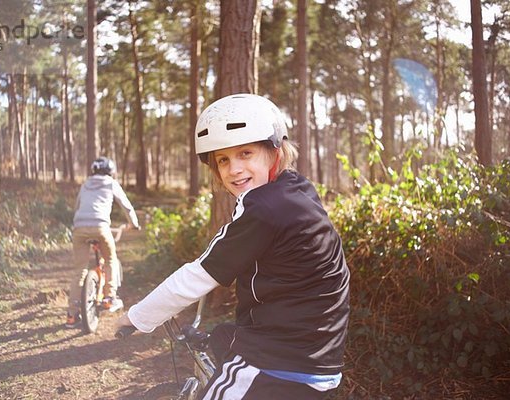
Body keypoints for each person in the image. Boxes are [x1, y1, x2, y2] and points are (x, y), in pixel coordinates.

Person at [117, 93, 350, 399]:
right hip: (321, 352)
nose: (234, 169)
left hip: (278, 358)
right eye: (223, 160)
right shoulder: (297, 190)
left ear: (275, 153)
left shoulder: (263, 210)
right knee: (223, 337)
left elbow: (198, 276)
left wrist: (137, 317)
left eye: (245, 153)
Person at [66, 157, 140, 328]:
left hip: (79, 228)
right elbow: (126, 206)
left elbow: (77, 206)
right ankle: (109, 298)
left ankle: (72, 314)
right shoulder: (111, 183)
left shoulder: (85, 184)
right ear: (110, 171)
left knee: (80, 270)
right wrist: (134, 224)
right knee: (110, 259)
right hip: (100, 227)